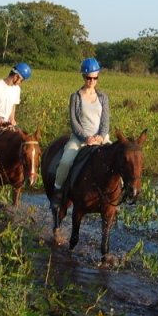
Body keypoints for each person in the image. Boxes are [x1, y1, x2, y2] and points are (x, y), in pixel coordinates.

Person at [50, 57, 110, 206]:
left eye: (95, 78)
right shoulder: (76, 97)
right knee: (66, 161)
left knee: (119, 157)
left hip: (100, 137)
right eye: (89, 78)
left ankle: (116, 194)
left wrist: (101, 137)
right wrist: (86, 138)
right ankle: (57, 190)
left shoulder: (103, 97)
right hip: (79, 138)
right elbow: (74, 121)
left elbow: (105, 120)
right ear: (83, 77)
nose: (92, 81)